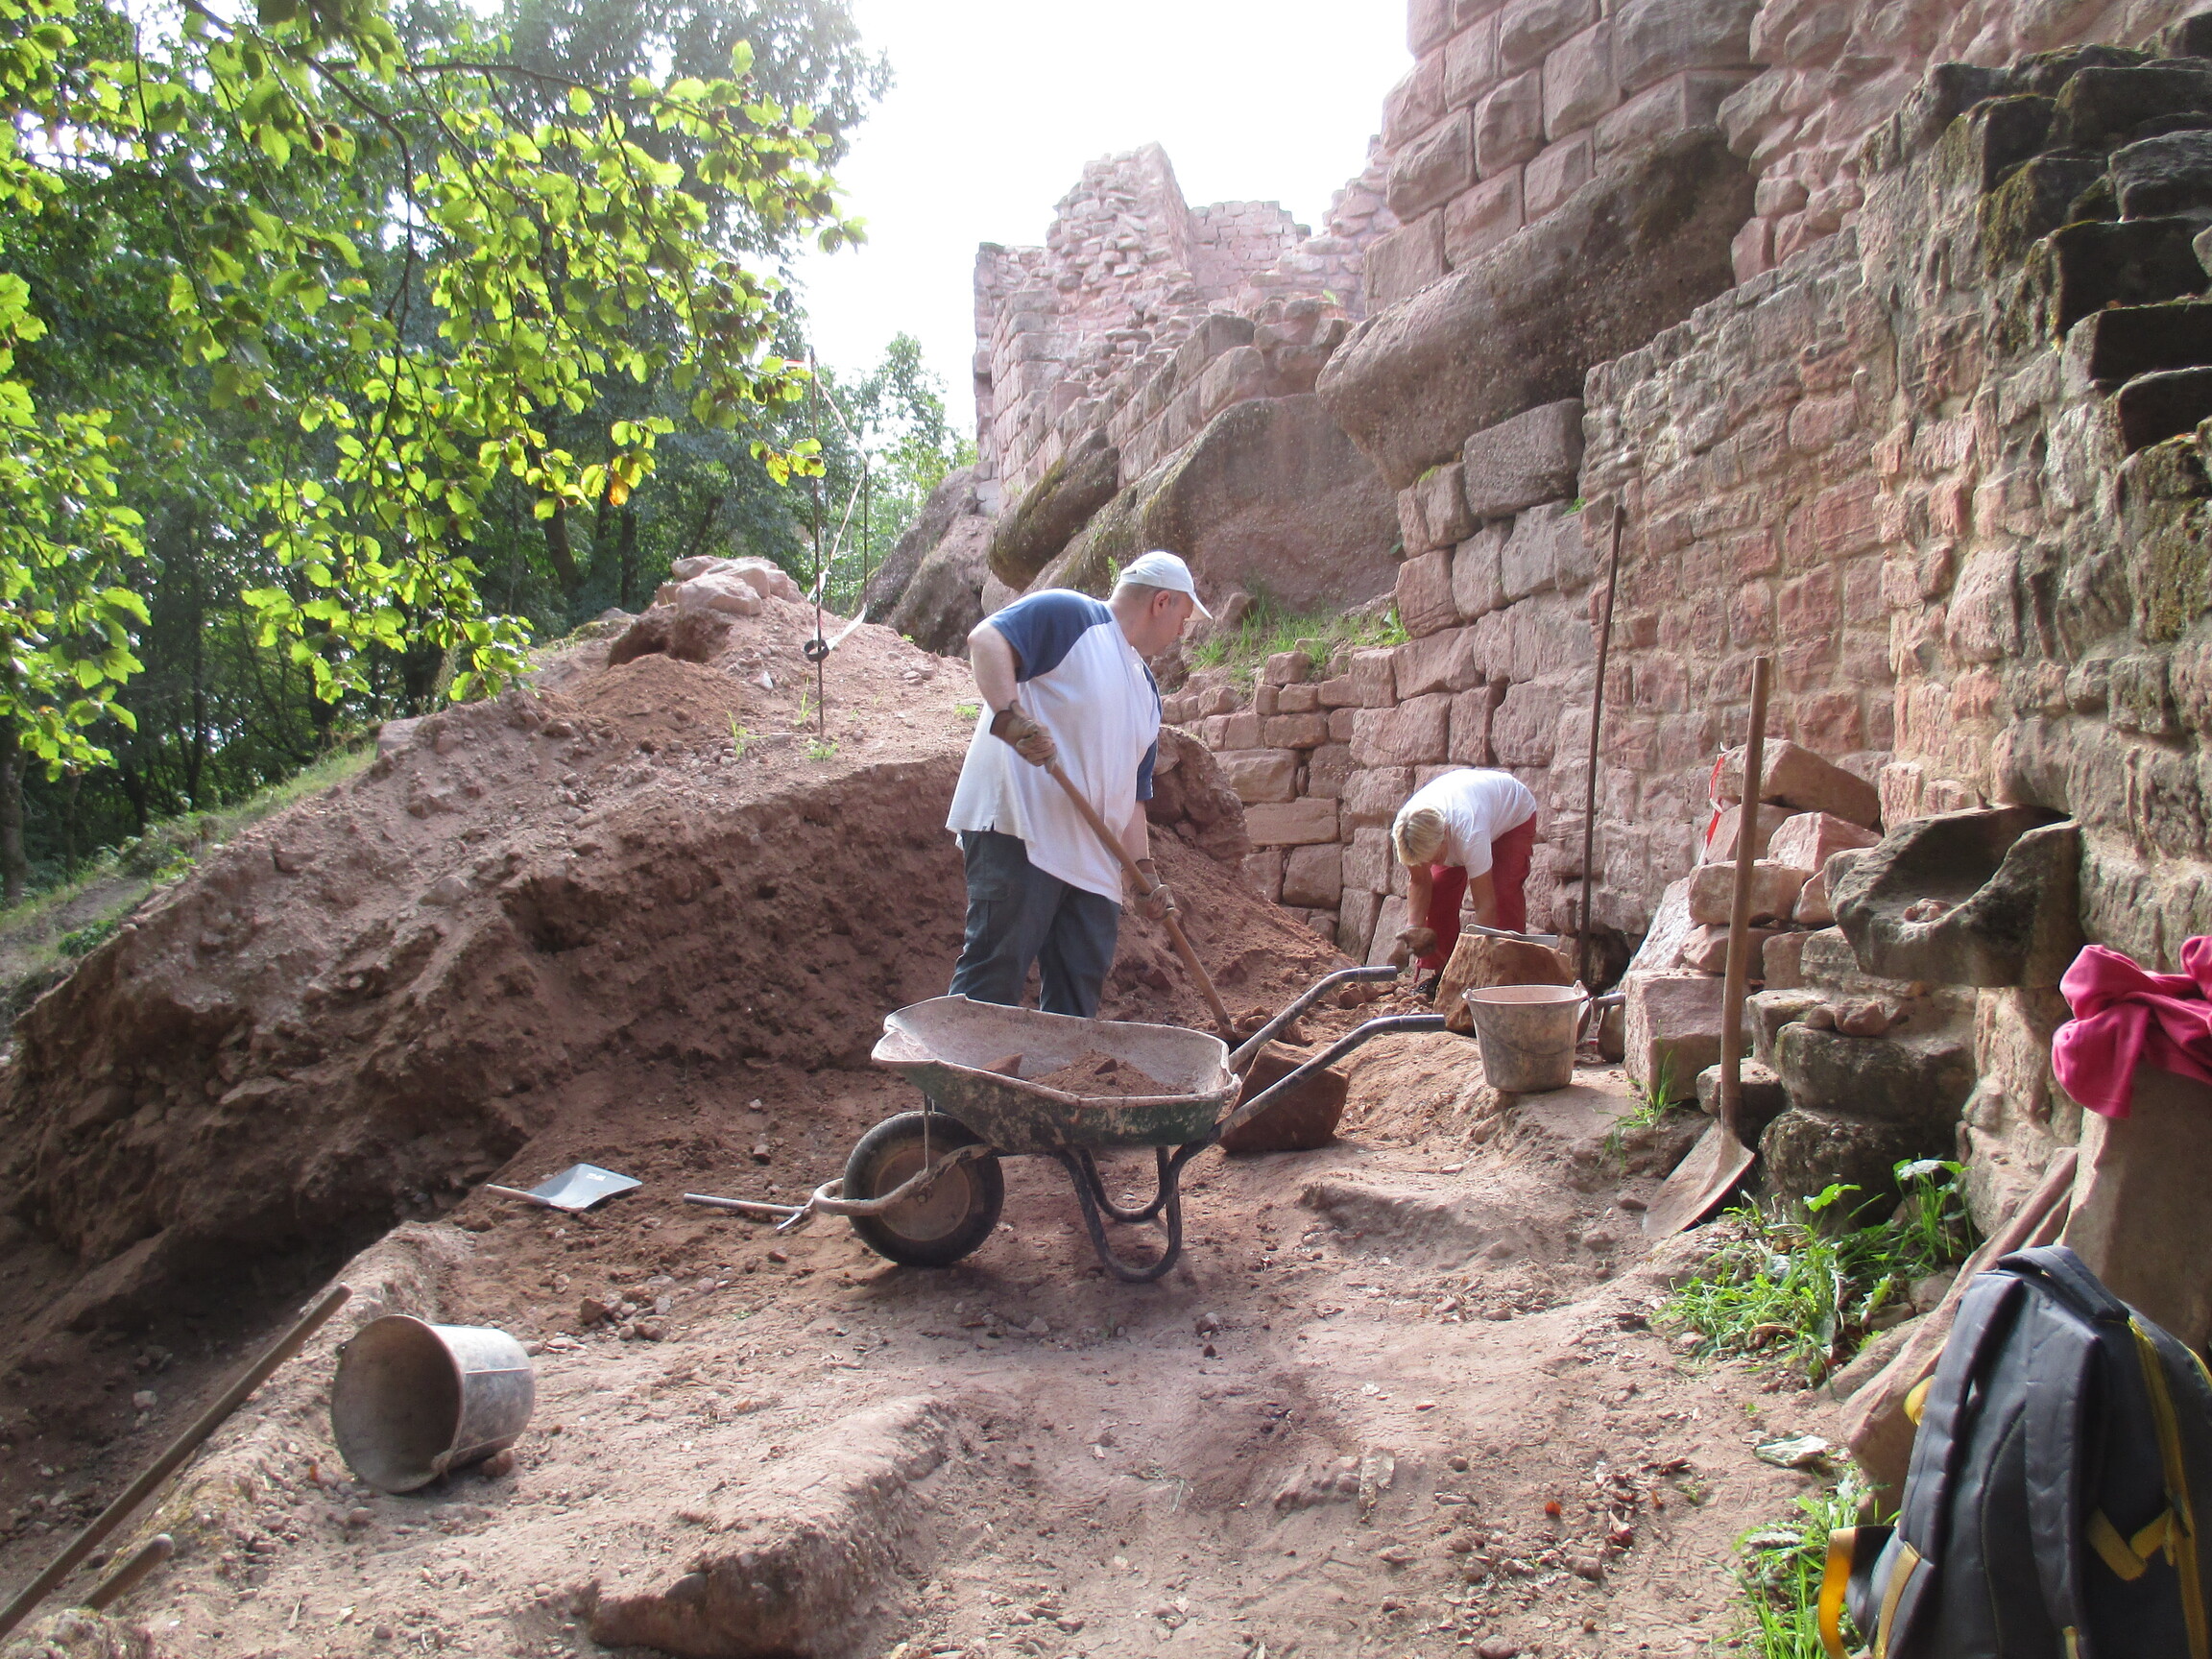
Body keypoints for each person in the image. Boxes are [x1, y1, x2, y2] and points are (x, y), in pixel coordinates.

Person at [945, 550, 1210, 1018]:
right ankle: (955, 1069)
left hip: (1094, 865)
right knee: (993, 978)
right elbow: (986, 640)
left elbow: (1133, 793)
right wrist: (1012, 718)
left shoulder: (1146, 691)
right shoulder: (1072, 615)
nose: (1181, 633)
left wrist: (1143, 870)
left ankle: (1057, 1071)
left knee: (1076, 1005)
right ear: (1161, 602)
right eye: (1183, 620)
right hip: (1022, 833)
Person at [1390, 766, 1541, 986]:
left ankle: (1509, 977)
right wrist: (1412, 929)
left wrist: (1470, 967)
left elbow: (1486, 907)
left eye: (1435, 857)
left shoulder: (1469, 833)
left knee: (1503, 893)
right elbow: (1421, 881)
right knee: (1439, 891)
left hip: (1512, 814)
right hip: (1471, 808)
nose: (1433, 863)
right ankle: (1443, 976)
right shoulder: (1406, 830)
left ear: (1444, 836)